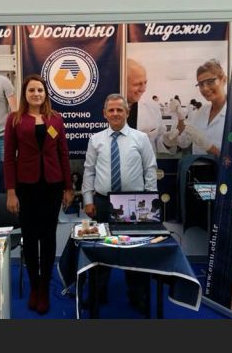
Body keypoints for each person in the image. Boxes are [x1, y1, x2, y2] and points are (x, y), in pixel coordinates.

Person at [4, 74, 74, 314]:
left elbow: (63, 154)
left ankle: (44, 286)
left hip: (52, 186)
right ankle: (34, 285)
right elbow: (8, 158)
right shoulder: (14, 119)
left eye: (40, 90)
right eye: (32, 90)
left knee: (48, 236)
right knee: (30, 237)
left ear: (45, 94)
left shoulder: (56, 119)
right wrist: (11, 192)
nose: (36, 94)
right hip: (26, 186)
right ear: (25, 94)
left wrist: (68, 188)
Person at [82, 93, 158, 314]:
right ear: (104, 113)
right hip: (103, 202)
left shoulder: (141, 138)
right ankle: (98, 294)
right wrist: (88, 200)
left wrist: (150, 202)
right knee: (101, 250)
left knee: (135, 252)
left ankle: (137, 295)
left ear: (127, 112)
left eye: (120, 110)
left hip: (133, 204)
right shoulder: (96, 139)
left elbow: (150, 170)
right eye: (111, 110)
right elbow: (89, 171)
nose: (115, 113)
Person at [176, 59, 227, 157]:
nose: (205, 88)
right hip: (197, 166)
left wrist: (209, 147)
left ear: (223, 80)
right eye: (201, 84)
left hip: (220, 167)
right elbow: (183, 142)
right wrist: (180, 117)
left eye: (210, 82)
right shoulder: (201, 112)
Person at [126, 59, 174, 154]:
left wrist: (167, 141)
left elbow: (158, 141)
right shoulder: (101, 109)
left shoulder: (152, 108)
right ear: (121, 83)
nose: (143, 89)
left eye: (145, 83)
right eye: (137, 84)